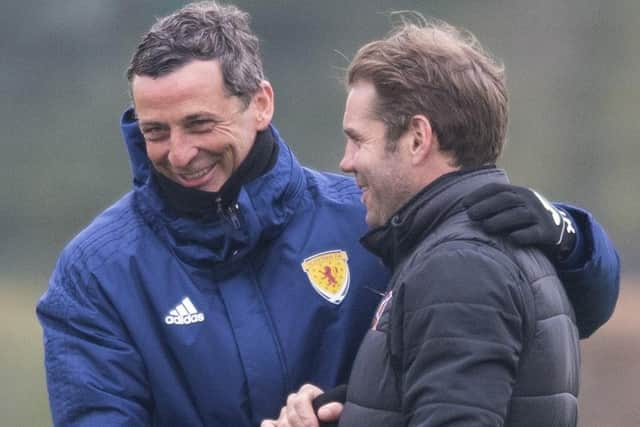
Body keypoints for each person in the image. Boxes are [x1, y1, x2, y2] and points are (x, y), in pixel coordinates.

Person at [36, 3, 618, 426]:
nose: (179, 153)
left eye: (199, 124)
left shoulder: (370, 216)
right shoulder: (96, 271)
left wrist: (573, 239)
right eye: (155, 132)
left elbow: (552, 315)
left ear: (260, 102)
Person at [263, 17, 614, 427]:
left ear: (417, 138)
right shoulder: (484, 247)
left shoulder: (459, 266)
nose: (346, 161)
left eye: (358, 139)